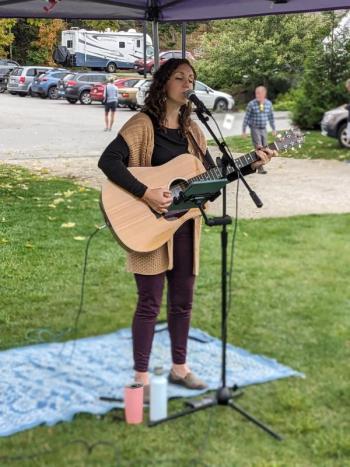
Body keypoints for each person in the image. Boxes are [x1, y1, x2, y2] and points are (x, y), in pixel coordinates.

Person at [98, 59, 275, 402]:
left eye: (191, 78)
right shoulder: (142, 124)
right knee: (149, 302)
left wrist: (250, 166)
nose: (187, 83)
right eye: (179, 77)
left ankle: (180, 368)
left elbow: (214, 175)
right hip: (148, 222)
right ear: (164, 83)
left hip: (184, 224)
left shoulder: (194, 131)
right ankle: (141, 378)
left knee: (183, 300)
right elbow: (108, 162)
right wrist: (145, 192)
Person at [242, 85, 276, 174]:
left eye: (259, 93)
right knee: (259, 147)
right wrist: (244, 130)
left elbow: (271, 117)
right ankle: (260, 168)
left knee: (265, 147)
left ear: (264, 94)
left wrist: (273, 128)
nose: (257, 95)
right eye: (256, 93)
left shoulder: (268, 104)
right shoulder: (251, 104)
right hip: (254, 128)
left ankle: (261, 163)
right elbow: (246, 117)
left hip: (263, 128)